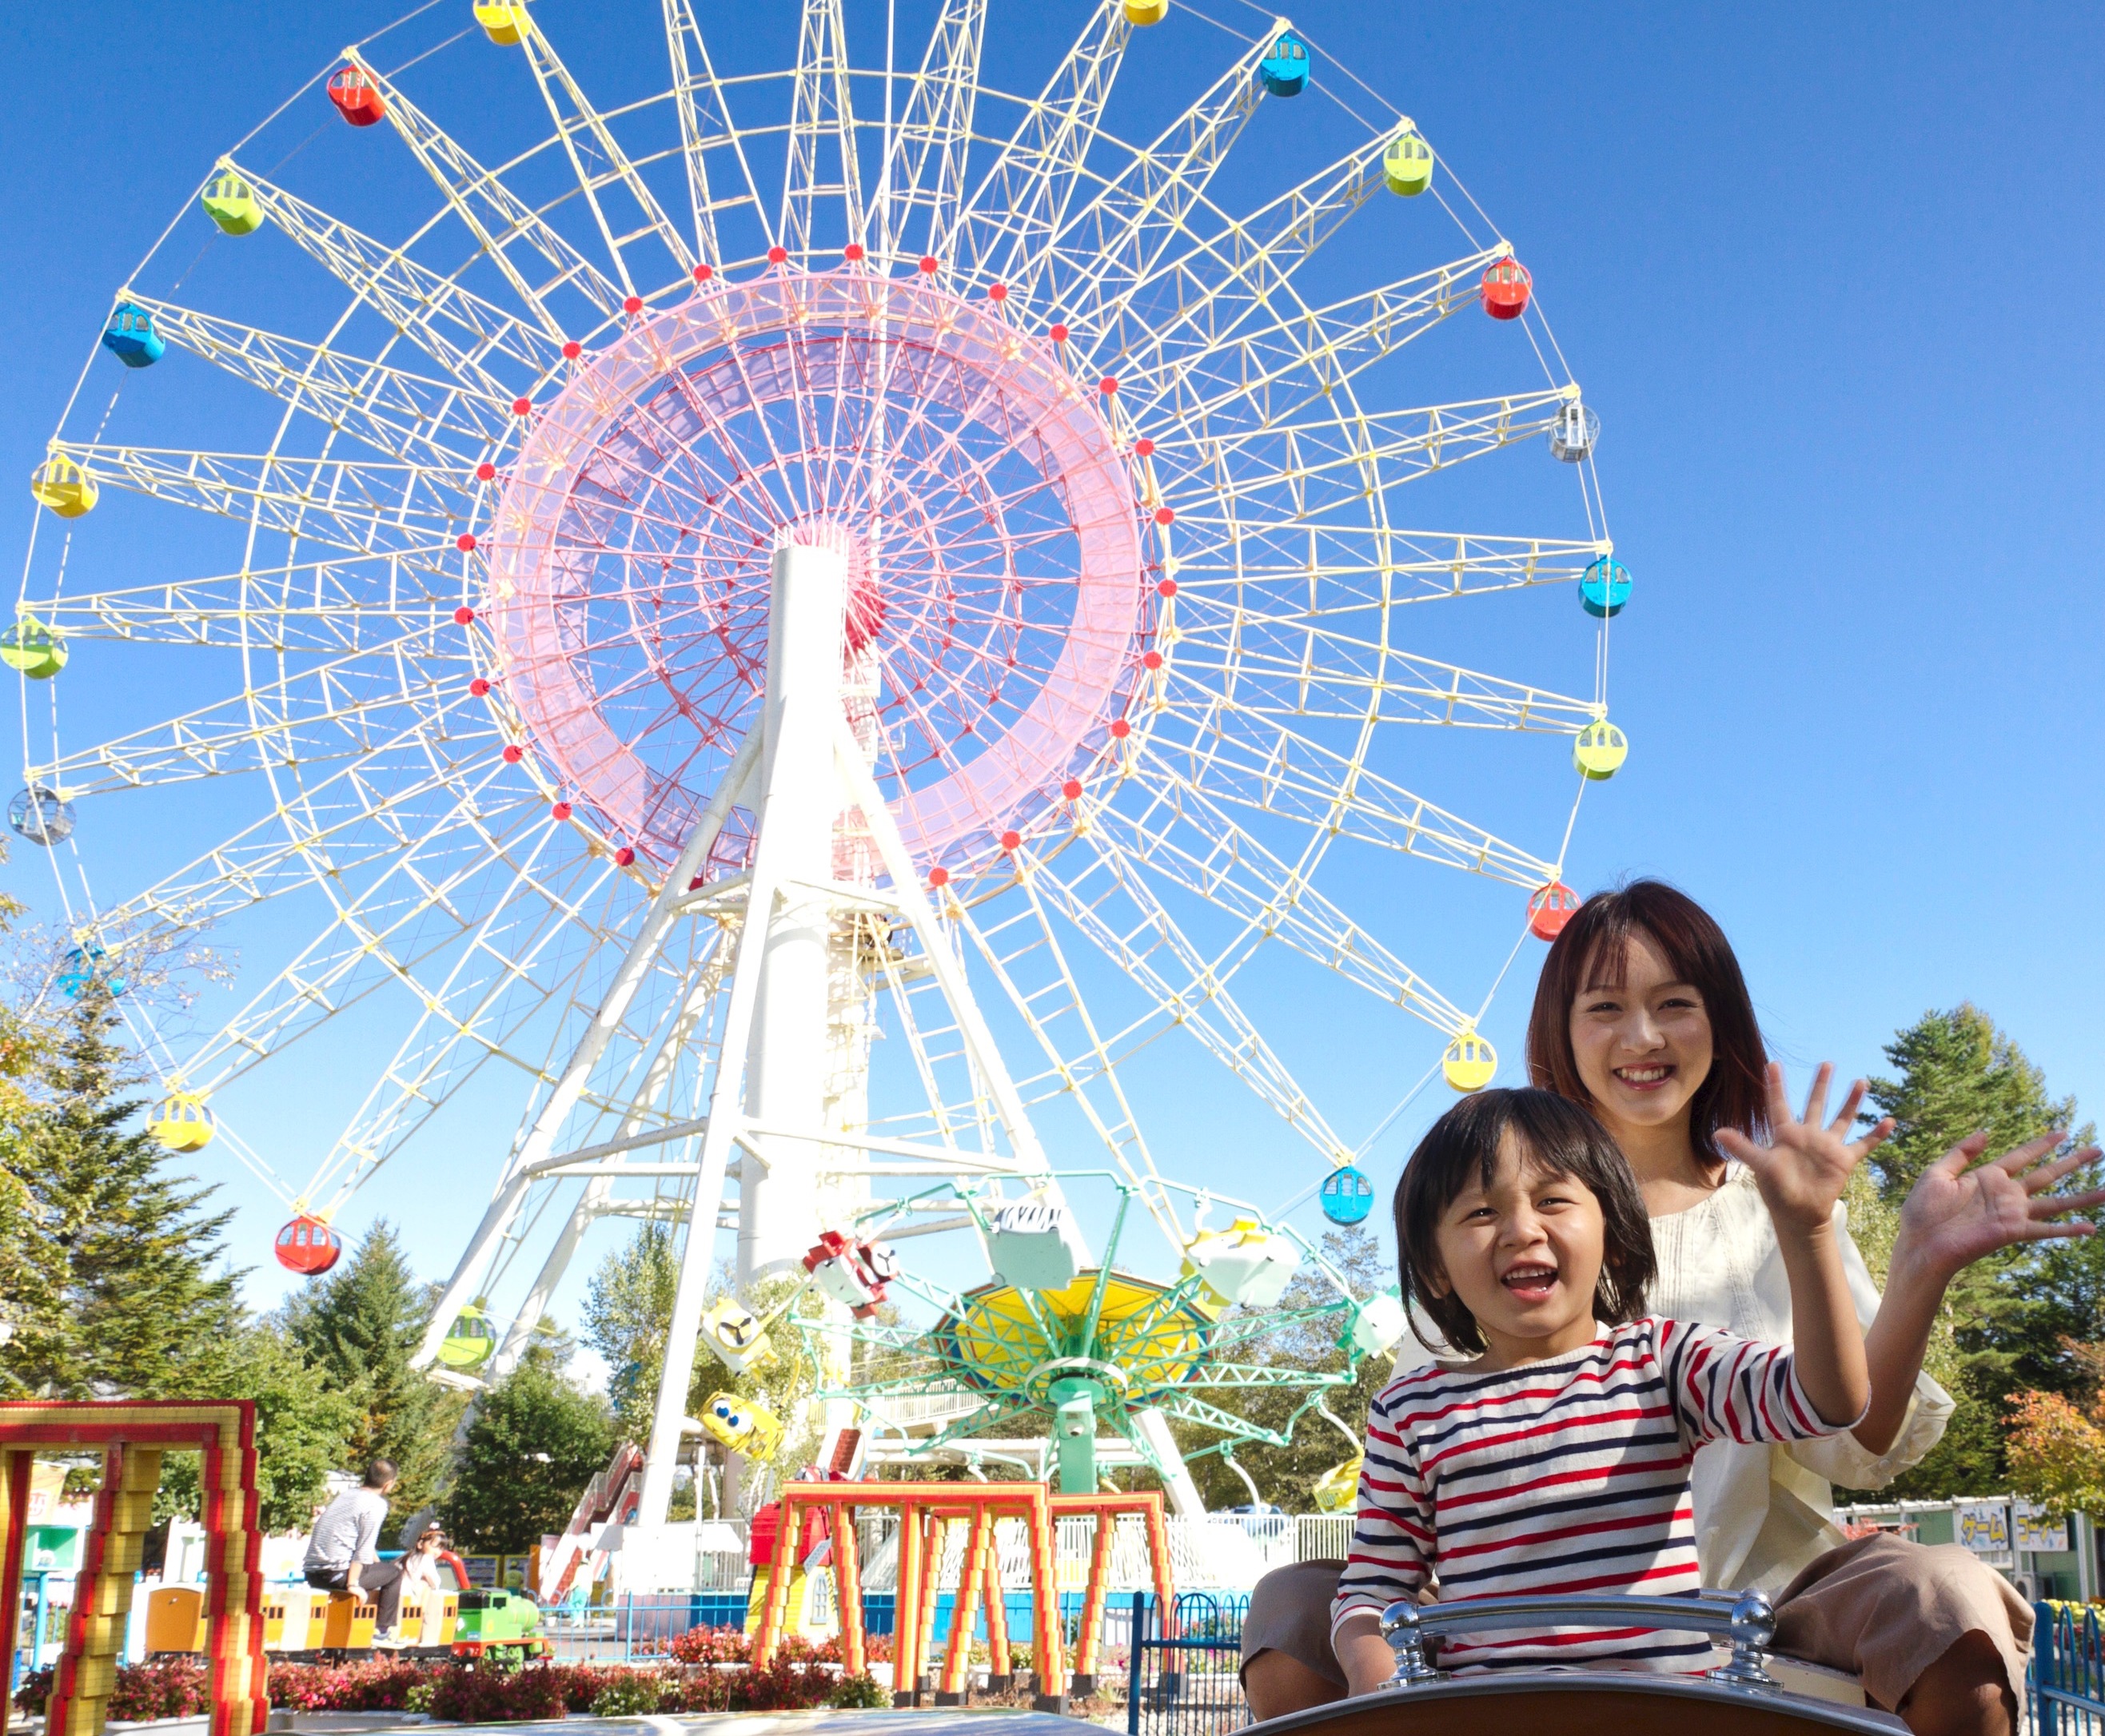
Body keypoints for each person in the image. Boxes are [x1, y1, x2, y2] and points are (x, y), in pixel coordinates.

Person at [1243, 880, 2102, 1736]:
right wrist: (1383, 1654)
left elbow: (1846, 1427)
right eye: (1605, 1007)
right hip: (1507, 1612)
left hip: (1763, 1600)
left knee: (1949, 1606)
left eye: (1674, 1004)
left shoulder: (1763, 1228)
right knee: (1289, 1611)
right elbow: (1401, 1525)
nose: (1641, 1036)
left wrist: (1914, 1266)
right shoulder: (1470, 1280)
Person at [1331, 1084, 1868, 1683]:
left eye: (1553, 1200)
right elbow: (1372, 1593)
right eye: (1480, 1212)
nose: (1520, 1230)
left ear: (1612, 1234)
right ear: (1433, 1267)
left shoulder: (1662, 1363)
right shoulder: (1410, 1411)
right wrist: (1381, 1690)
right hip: (1487, 1716)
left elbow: (1823, 1400)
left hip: (1656, 1712)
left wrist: (1808, 1233)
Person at [304, 1460, 410, 1648]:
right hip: (337, 1574)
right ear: (389, 1484)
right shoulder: (376, 1505)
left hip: (312, 1572)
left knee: (385, 1571)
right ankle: (382, 1632)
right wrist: (353, 1584)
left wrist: (378, 1566)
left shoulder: (347, 1495)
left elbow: (364, 1546)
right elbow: (363, 1549)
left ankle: (352, 1629)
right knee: (394, 1575)